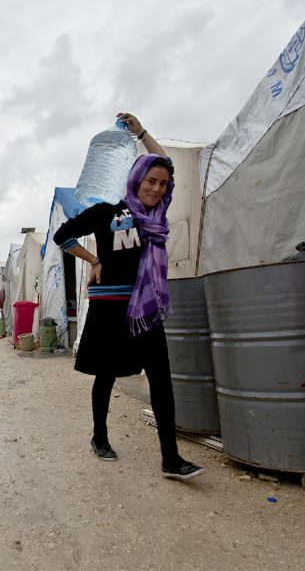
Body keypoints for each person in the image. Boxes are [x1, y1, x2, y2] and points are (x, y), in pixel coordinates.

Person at [52, 112, 204, 480]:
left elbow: (166, 163)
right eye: (150, 181)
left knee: (161, 378)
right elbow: (62, 236)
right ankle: (99, 437)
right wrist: (94, 258)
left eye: (162, 184)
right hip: (110, 306)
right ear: (136, 179)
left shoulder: (157, 213)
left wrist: (142, 133)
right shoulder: (108, 210)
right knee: (106, 374)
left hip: (147, 308)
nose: (156, 188)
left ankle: (171, 459)